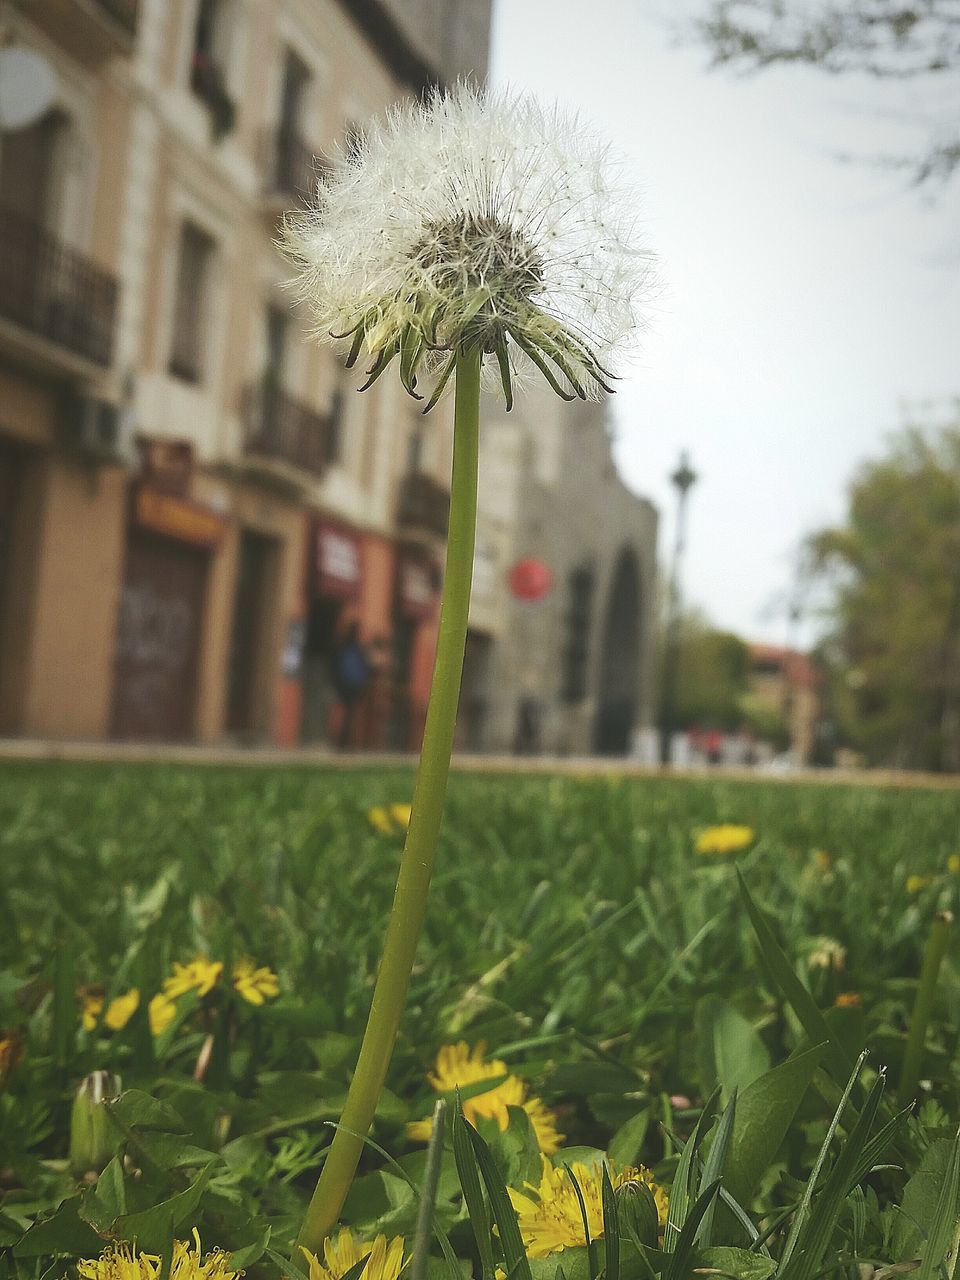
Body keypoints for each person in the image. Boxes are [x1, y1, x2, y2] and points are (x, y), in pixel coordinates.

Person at [332, 621, 371, 749]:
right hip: (354, 686)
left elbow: (336, 667)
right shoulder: (358, 649)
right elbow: (365, 668)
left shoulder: (344, 647)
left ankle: (344, 740)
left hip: (346, 685)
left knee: (347, 713)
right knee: (350, 714)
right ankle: (346, 741)